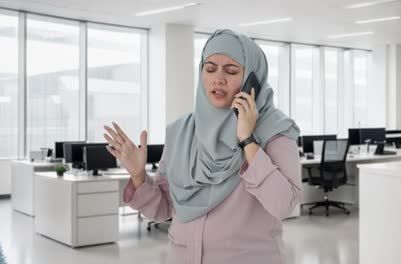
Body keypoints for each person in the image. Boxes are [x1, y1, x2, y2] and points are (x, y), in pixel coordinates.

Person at [103, 29, 302, 264]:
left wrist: (248, 139)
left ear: (252, 80)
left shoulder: (275, 131)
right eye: (209, 69)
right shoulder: (181, 132)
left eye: (231, 71)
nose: (218, 78)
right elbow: (165, 208)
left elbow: (284, 205)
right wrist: (138, 176)